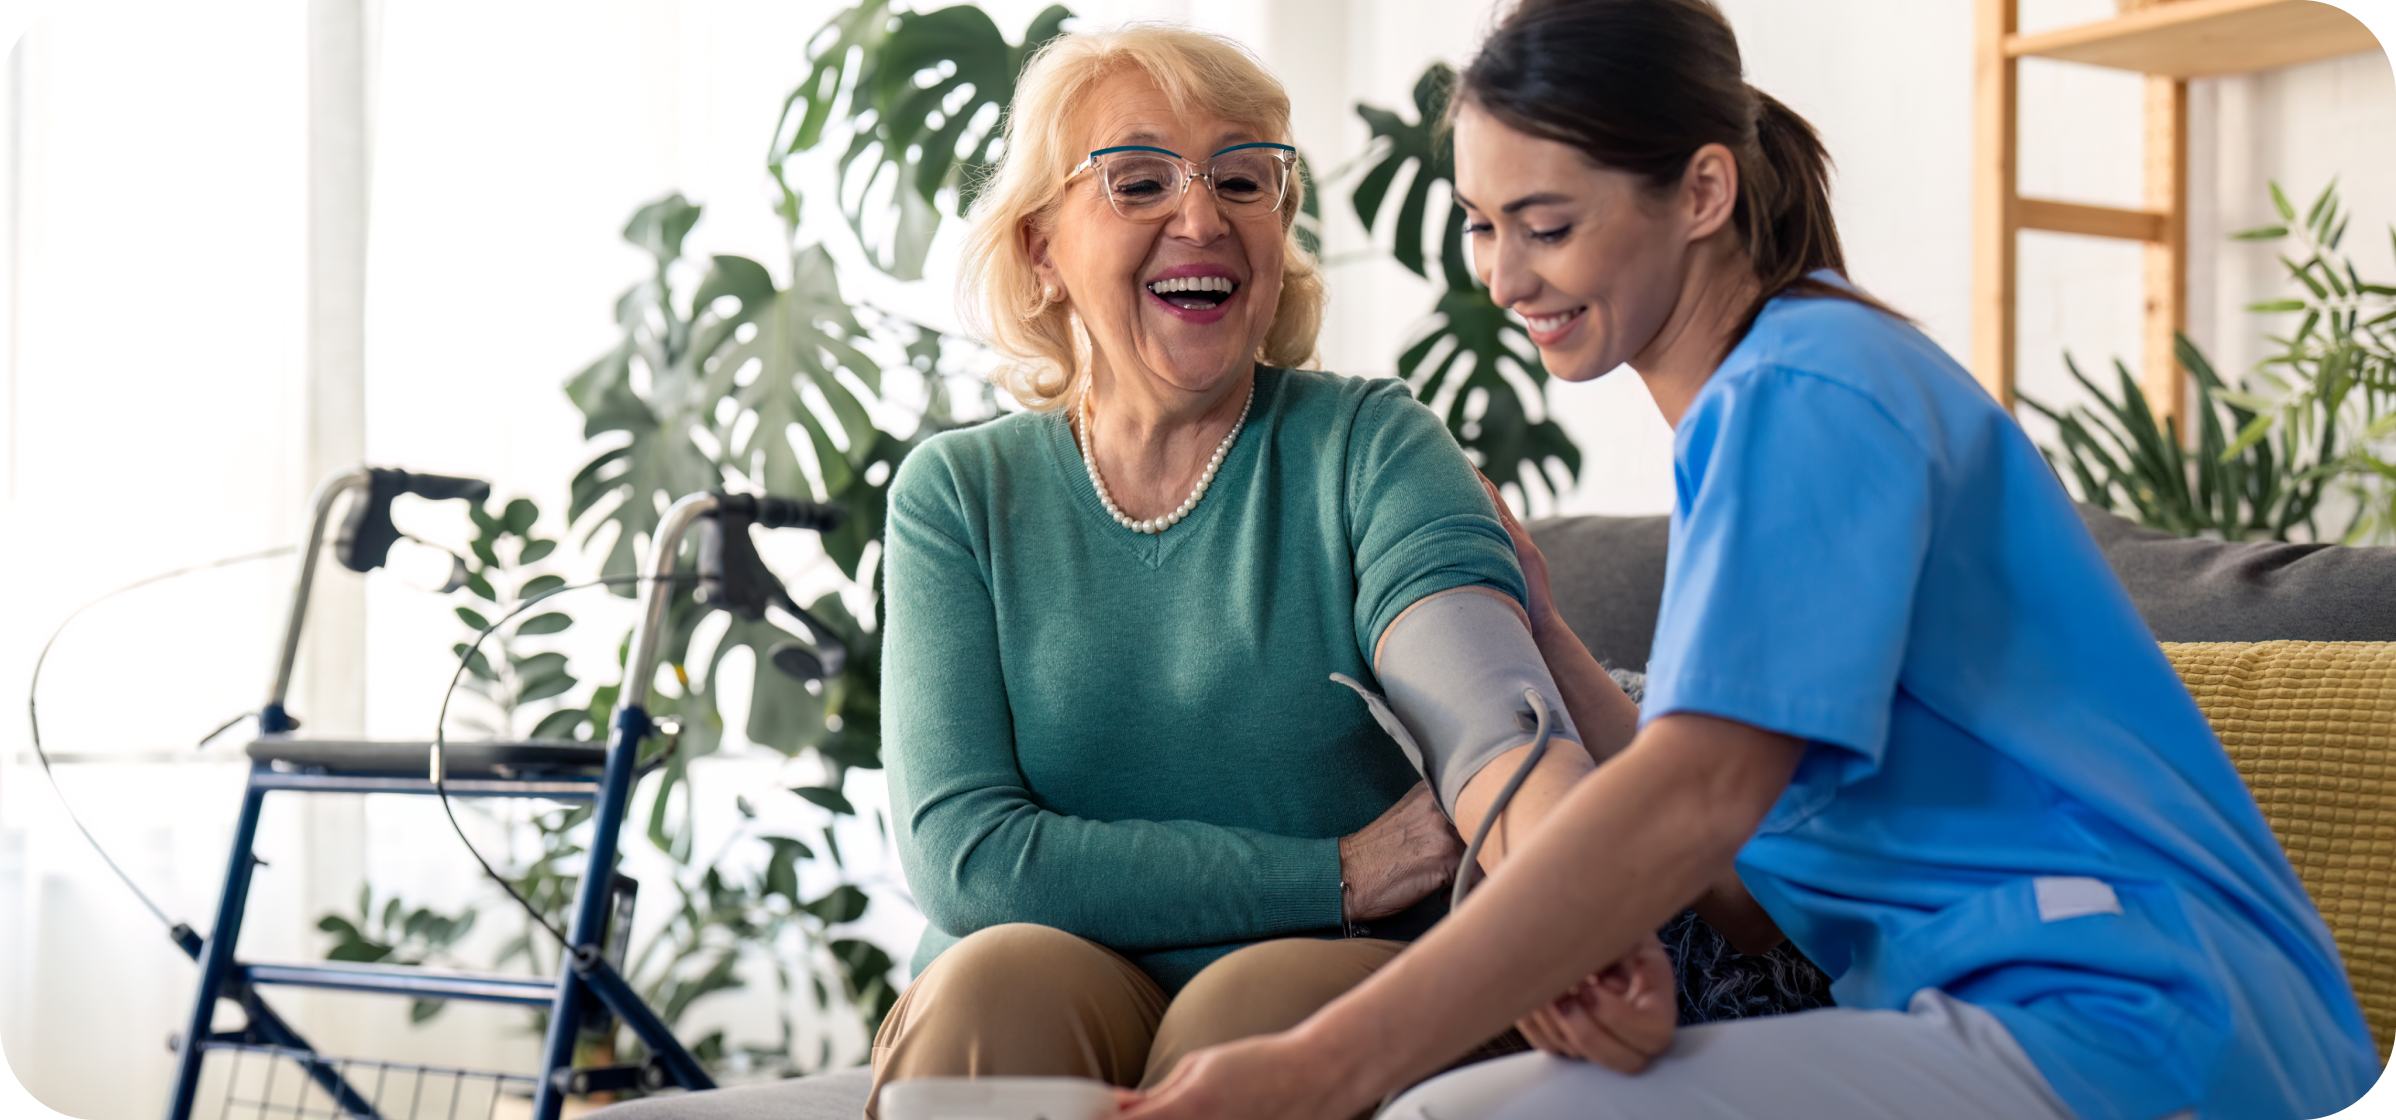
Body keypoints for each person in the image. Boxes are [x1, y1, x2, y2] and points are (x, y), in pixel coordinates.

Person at [1121, 2, 2381, 1118]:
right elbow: (1740, 877)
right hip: (2035, 1014)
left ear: (1703, 192)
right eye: (1480, 225)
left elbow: (1691, 797)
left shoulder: (1816, 392)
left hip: (2145, 1026)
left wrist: (1314, 1068)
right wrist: (1553, 651)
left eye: (1544, 224)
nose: (1502, 276)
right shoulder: (1763, 408)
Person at [867, 23, 1638, 1117]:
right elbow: (968, 858)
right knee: (992, 986)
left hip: (1338, 972)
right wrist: (1337, 870)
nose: (1201, 216)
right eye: (1137, 182)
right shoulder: (956, 495)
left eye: (1242, 177)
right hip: (1073, 973)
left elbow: (1487, 715)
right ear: (1040, 247)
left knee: (1243, 1011)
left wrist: (1578, 910)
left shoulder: (1371, 445)